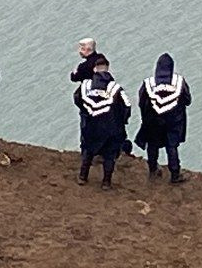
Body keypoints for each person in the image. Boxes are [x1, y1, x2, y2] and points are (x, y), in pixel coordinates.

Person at [73, 55, 130, 189]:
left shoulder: (85, 85)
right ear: (108, 69)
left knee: (88, 150)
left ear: (94, 69)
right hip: (111, 127)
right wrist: (121, 120)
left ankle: (82, 176)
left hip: (91, 125)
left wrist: (86, 112)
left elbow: (77, 99)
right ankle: (106, 182)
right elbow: (127, 106)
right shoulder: (116, 88)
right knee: (109, 155)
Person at [135, 52, 192, 184]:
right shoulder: (179, 82)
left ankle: (153, 170)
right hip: (174, 121)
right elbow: (187, 100)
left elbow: (141, 102)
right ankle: (175, 174)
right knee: (171, 146)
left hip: (153, 121)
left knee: (152, 144)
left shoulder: (148, 84)